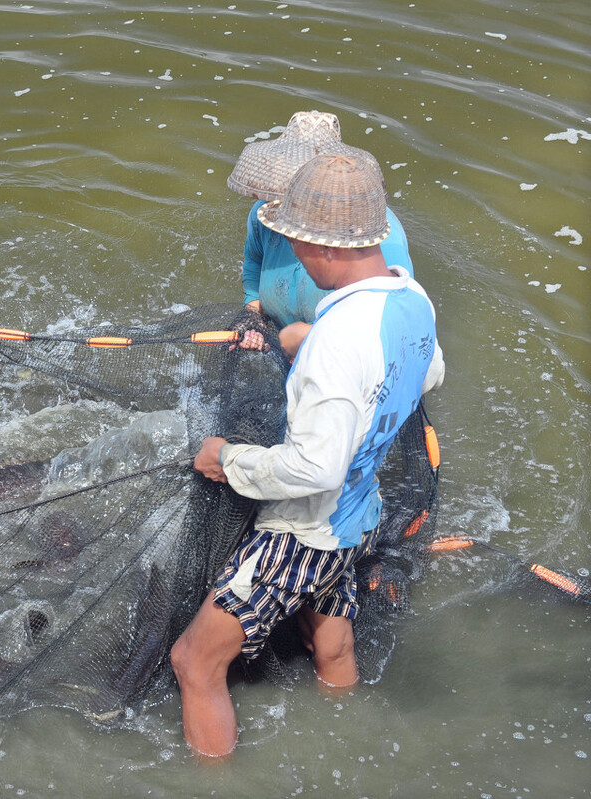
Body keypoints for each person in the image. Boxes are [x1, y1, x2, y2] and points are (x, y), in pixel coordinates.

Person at [170, 152, 445, 758]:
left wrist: (227, 458)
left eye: (295, 241)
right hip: (361, 514)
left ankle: (213, 781)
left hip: (305, 531)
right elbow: (427, 374)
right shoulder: (412, 298)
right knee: (331, 643)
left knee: (193, 661)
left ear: (323, 247)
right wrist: (311, 337)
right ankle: (346, 743)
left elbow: (312, 467)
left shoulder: (338, 341)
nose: (291, 252)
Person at [226, 111, 414, 359]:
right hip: (297, 343)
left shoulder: (374, 231)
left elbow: (387, 320)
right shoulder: (265, 214)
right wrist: (253, 312)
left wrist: (312, 340)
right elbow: (254, 261)